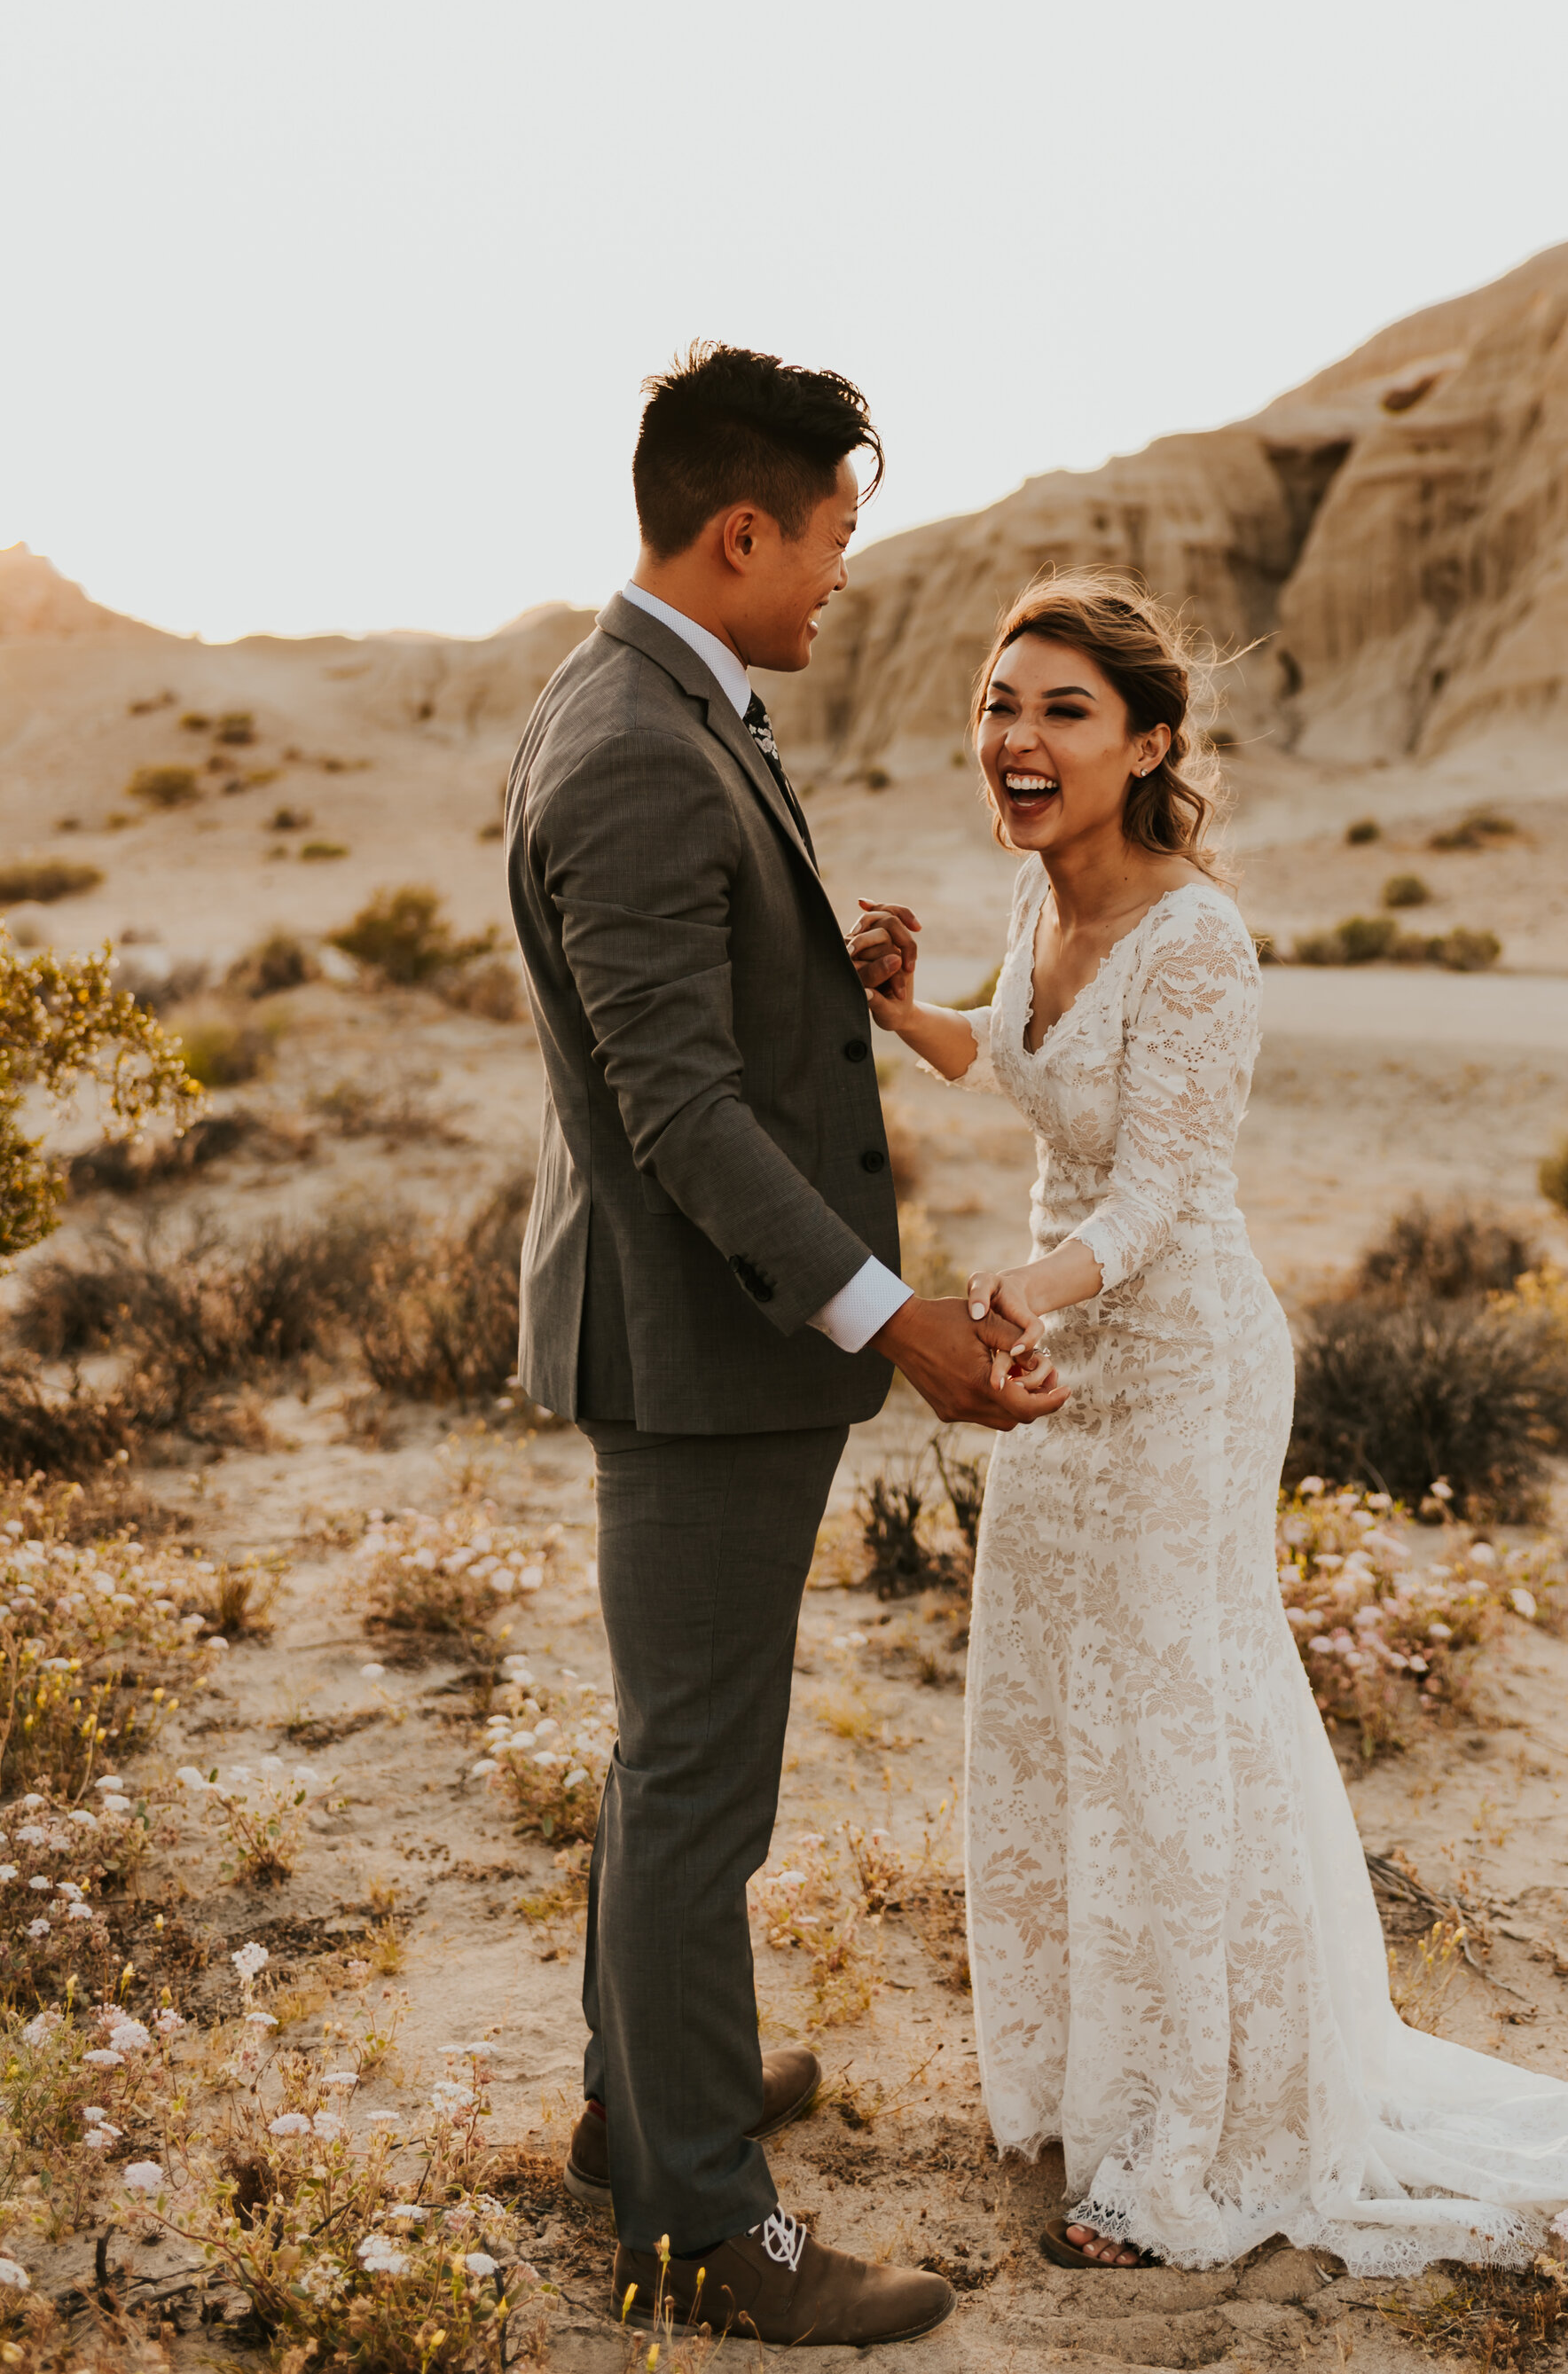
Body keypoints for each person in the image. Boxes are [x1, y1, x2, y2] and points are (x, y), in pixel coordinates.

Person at [849, 572, 1568, 2277]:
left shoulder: (1201, 937)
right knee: (1065, 1705)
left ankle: (1177, 2147)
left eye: (1064, 711)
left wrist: (1019, 1294)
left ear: (1150, 743)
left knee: (1170, 1721)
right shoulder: (1034, 887)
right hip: (1067, 1362)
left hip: (1180, 1361)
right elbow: (1018, 1052)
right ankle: (1107, 2082)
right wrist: (909, 1007)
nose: (1018, 738)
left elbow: (1159, 1193)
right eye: (1002, 702)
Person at [507, 342, 1064, 2350]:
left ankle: (638, 2106)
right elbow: (669, 1104)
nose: (841, 576)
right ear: (738, 528)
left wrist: (814, 985)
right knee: (697, 1783)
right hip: (703, 1347)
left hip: (697, 1336)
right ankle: (703, 2227)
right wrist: (892, 1316)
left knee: (671, 1763)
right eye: (831, 538)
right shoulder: (641, 743)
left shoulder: (647, 699)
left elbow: (674, 1015)